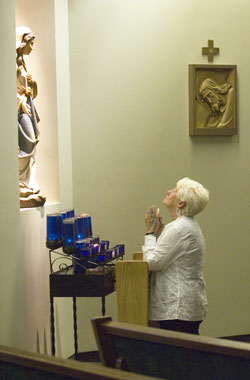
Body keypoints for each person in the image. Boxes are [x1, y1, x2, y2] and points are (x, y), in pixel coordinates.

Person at [142, 177, 209, 335]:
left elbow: (151, 262)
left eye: (175, 190)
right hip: (185, 305)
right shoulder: (185, 225)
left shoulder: (179, 228)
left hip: (178, 307)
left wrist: (150, 233)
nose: (169, 191)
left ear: (181, 203)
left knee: (181, 357)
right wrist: (159, 232)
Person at [16, 26, 46, 208]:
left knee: (32, 141)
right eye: (31, 44)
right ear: (22, 42)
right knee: (27, 143)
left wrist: (32, 84)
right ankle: (19, 181)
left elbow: (31, 92)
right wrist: (20, 97)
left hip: (26, 107)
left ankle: (26, 183)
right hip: (20, 110)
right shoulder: (12, 63)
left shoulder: (23, 64)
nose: (32, 48)